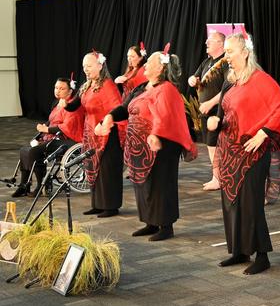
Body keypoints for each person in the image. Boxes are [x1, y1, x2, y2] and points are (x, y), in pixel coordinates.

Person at [206, 32, 280, 275]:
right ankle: (239, 250)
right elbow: (225, 111)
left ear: (245, 52)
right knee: (231, 202)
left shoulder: (260, 79)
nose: (226, 56)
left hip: (252, 152)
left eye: (230, 51)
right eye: (225, 51)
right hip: (230, 151)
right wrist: (216, 120)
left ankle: (262, 255)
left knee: (251, 204)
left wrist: (263, 133)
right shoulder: (231, 80)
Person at [98, 47, 197, 241]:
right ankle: (150, 222)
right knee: (143, 184)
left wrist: (156, 135)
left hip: (162, 145)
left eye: (150, 63)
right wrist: (110, 116)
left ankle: (166, 226)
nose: (146, 65)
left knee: (160, 185)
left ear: (160, 68)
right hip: (140, 145)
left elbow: (166, 116)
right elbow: (125, 108)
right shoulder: (142, 88)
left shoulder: (167, 89)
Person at [63, 52, 126, 218]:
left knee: (107, 171)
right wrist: (65, 101)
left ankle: (110, 206)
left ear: (100, 65)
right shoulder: (87, 85)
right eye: (84, 66)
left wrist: (106, 123)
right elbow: (74, 105)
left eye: (89, 66)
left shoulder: (108, 86)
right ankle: (97, 204)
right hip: (91, 133)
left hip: (107, 134)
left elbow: (117, 110)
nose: (85, 69)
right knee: (93, 169)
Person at [12, 77, 84, 197]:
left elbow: (68, 127)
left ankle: (41, 185)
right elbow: (52, 120)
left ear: (70, 91)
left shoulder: (74, 105)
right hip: (55, 136)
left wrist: (47, 129)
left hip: (69, 139)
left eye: (62, 88)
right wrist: (43, 128)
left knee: (35, 152)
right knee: (25, 150)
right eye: (56, 88)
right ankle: (24, 185)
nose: (58, 91)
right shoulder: (57, 103)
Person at [188, 30, 228, 191]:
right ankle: (216, 177)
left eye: (210, 41)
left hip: (218, 110)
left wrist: (211, 103)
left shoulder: (225, 63)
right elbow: (195, 77)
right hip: (206, 110)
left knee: (217, 145)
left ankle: (220, 178)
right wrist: (192, 80)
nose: (206, 43)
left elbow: (227, 88)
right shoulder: (206, 62)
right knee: (210, 145)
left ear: (220, 44)